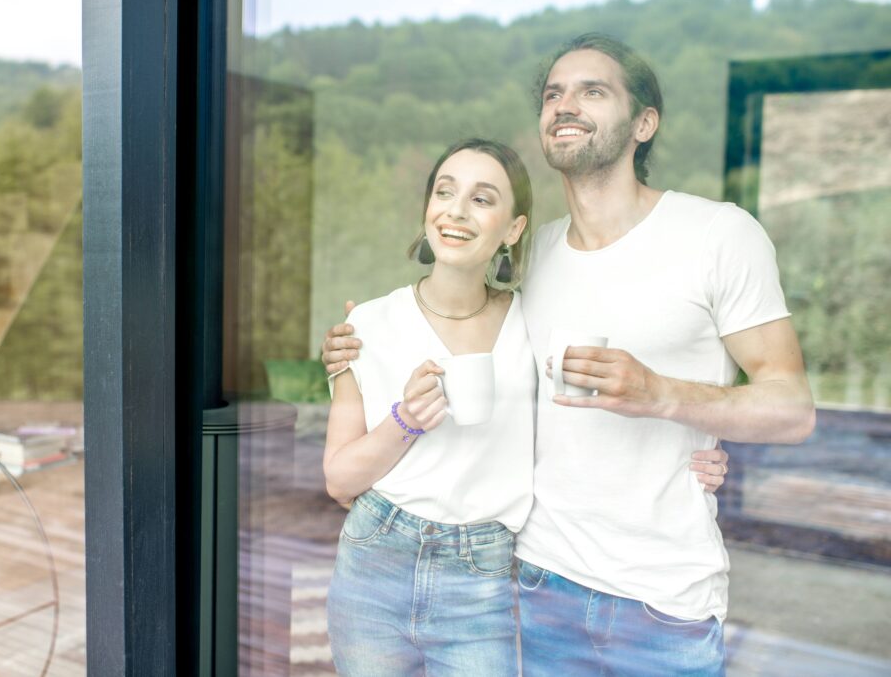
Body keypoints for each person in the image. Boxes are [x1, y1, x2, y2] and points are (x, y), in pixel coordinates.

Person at [323, 33, 813, 676]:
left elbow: (793, 409)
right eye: (554, 93)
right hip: (535, 587)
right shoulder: (534, 263)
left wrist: (666, 398)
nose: (566, 104)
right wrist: (355, 347)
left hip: (663, 603)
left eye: (593, 90)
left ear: (644, 122)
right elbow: (455, 317)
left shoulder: (718, 235)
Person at [323, 138, 534, 676]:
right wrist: (406, 421)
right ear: (427, 210)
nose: (457, 210)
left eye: (483, 199)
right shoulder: (367, 325)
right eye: (445, 191)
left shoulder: (535, 325)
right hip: (376, 557)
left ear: (513, 229)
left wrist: (694, 453)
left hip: (483, 576)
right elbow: (340, 479)